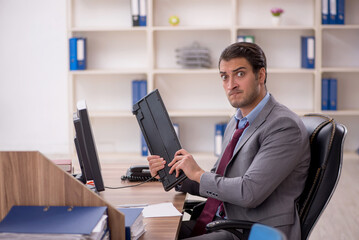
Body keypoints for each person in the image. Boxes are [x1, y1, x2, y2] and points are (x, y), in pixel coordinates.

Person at [147, 42, 310, 240]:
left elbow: (248, 192)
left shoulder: (284, 126)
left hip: (253, 231)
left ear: (261, 75)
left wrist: (198, 173)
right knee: (147, 233)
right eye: (224, 76)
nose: (230, 84)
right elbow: (219, 181)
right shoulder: (237, 120)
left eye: (239, 74)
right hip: (221, 221)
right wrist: (175, 174)